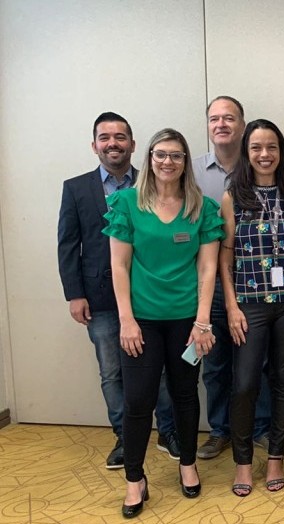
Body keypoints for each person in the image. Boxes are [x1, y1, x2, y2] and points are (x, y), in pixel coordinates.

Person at [104, 128, 223, 518]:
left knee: (186, 395)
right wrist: (126, 320)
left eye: (176, 155)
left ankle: (187, 464)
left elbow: (208, 267)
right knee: (139, 400)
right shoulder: (125, 204)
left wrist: (203, 321)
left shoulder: (201, 208)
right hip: (141, 323)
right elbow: (119, 266)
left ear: (186, 161)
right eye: (160, 154)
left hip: (187, 322)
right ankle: (135, 480)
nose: (167, 162)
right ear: (150, 158)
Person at [57, 112, 180, 468]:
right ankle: (124, 438)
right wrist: (74, 294)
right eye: (105, 137)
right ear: (94, 144)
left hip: (149, 295)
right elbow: (68, 243)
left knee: (155, 369)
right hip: (99, 298)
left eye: (120, 137)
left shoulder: (153, 183)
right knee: (112, 371)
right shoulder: (76, 188)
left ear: (133, 144)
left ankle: (167, 431)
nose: (113, 143)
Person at [219, 119, 284, 497]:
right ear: (247, 152)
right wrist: (230, 306)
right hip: (249, 304)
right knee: (244, 384)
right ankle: (243, 462)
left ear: (281, 151)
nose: (264, 154)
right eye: (256, 147)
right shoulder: (232, 197)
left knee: (283, 381)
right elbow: (226, 256)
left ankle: (275, 456)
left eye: (271, 147)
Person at [192, 96, 272, 460]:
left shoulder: (259, 165)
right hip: (207, 286)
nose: (221, 124)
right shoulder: (189, 172)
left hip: (255, 284)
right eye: (214, 119)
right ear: (208, 126)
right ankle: (220, 430)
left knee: (259, 362)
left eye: (229, 118)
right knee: (215, 363)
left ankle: (260, 427)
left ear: (242, 124)